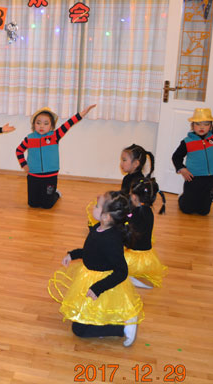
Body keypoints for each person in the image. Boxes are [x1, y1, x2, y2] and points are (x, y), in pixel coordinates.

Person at [48, 191, 143, 347]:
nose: (94, 206)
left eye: (97, 206)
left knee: (79, 330)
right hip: (90, 279)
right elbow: (91, 251)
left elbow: (122, 272)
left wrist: (98, 288)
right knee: (79, 320)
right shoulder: (98, 227)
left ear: (106, 217)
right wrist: (73, 254)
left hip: (102, 287)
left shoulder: (111, 240)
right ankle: (113, 322)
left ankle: (124, 327)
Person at [16, 105, 96, 208]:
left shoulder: (55, 136)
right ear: (34, 124)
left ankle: (56, 194)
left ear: (51, 126)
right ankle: (42, 196)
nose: (41, 126)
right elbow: (19, 150)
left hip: (50, 176)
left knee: (47, 205)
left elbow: (69, 123)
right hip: (33, 176)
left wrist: (82, 113)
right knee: (33, 204)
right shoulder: (29, 138)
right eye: (38, 123)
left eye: (46, 123)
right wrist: (24, 165)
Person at [125, 177, 167, 289]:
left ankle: (128, 277)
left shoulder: (135, 213)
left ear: (134, 197)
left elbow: (127, 236)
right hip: (147, 258)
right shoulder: (148, 211)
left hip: (134, 259)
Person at [171, 107, 213, 215]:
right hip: (193, 177)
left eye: (206, 124)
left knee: (204, 212)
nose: (202, 127)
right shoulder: (187, 141)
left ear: (211, 126)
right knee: (187, 210)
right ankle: (182, 198)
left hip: (210, 178)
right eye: (198, 124)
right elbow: (176, 157)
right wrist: (182, 169)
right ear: (192, 125)